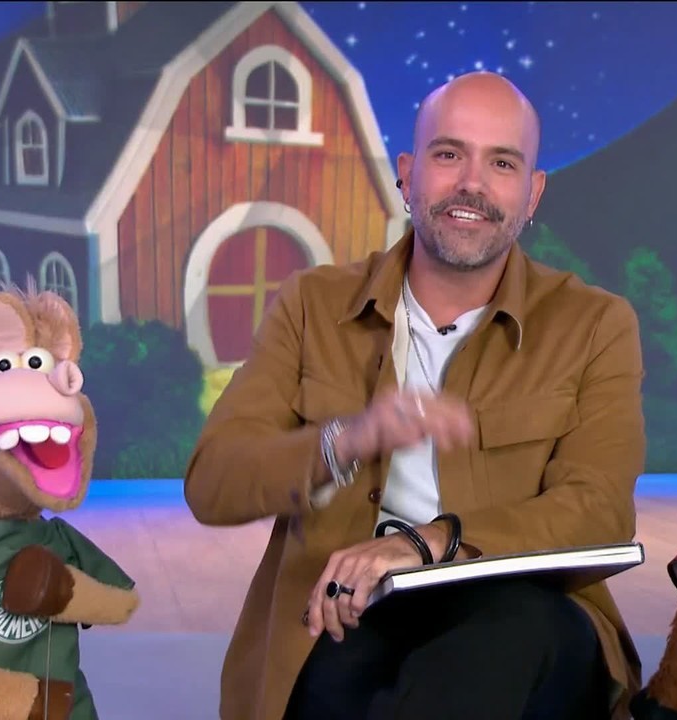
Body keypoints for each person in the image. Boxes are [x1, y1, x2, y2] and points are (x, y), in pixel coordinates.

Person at [183, 71, 647, 720]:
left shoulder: (595, 324)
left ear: (533, 192)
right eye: (449, 153)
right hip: (347, 615)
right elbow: (213, 483)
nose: (472, 184)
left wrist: (429, 542)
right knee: (341, 676)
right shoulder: (312, 304)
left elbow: (598, 509)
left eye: (502, 163)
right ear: (407, 174)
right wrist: (346, 440)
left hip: (522, 613)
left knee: (509, 635)